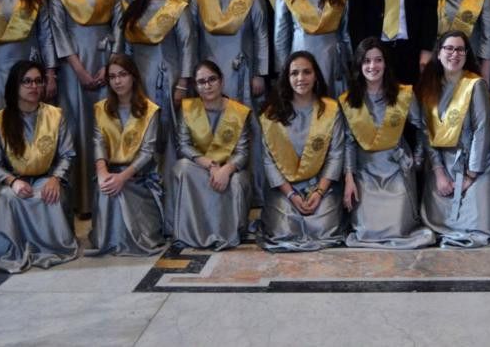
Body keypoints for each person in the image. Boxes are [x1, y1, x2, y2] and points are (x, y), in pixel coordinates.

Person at [48, 0, 122, 216]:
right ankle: (81, 199)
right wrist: (78, 68)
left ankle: (107, 194)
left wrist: (110, 63)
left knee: (105, 126)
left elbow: (118, 24)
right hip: (72, 64)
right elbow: (58, 29)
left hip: (105, 60)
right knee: (76, 126)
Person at [340, 38, 436, 249]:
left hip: (396, 167)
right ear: (359, 65)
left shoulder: (403, 94)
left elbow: (423, 128)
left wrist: (417, 161)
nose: (372, 66)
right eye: (367, 61)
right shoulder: (348, 101)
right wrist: (349, 178)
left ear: (386, 64)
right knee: (367, 231)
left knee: (398, 228)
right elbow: (348, 142)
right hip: (365, 171)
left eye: (378, 60)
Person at [0, 61, 80, 272]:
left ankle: (51, 247)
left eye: (38, 81)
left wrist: (56, 178)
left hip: (47, 175)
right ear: (15, 86)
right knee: (8, 197)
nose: (34, 86)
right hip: (13, 179)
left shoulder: (55, 115)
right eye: (26, 82)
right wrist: (13, 181)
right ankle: (14, 249)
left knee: (49, 193)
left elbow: (68, 154)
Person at [258, 51, 347, 251]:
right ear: (286, 78)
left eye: (306, 72)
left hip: (321, 185)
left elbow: (336, 155)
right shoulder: (271, 115)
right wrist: (292, 195)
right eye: (294, 73)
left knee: (324, 229)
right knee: (284, 231)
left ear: (315, 76)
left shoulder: (331, 110)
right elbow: (268, 161)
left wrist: (319, 191)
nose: (301, 78)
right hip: (285, 188)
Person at [417, 32, 490, 248]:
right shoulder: (428, 85)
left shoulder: (475, 84)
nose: (455, 54)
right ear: (439, 52)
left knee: (476, 224)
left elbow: (482, 129)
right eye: (449, 49)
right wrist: (439, 173)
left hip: (475, 163)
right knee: (437, 221)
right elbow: (426, 132)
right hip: (443, 163)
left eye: (460, 49)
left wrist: (471, 175)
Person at [120, 0, 195, 193]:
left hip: (168, 79)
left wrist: (183, 82)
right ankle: (143, 188)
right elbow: (126, 47)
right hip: (137, 79)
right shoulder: (134, 7)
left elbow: (187, 45)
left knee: (166, 131)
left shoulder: (177, 7)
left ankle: (170, 188)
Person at [89, 55, 167, 256]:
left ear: (133, 77)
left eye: (122, 75)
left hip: (140, 177)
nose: (117, 81)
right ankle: (109, 240)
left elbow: (148, 152)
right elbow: (98, 142)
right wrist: (102, 171)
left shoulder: (150, 110)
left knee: (119, 190)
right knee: (107, 187)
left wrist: (122, 178)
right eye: (113, 76)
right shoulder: (101, 109)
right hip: (111, 171)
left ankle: (132, 240)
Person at [172, 60, 253, 250]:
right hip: (200, 167)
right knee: (182, 167)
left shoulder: (238, 112)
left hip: (230, 171)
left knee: (237, 181)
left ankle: (226, 233)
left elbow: (243, 152)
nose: (207, 85)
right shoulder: (188, 109)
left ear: (222, 81)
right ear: (196, 86)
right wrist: (210, 165)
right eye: (201, 82)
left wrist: (226, 170)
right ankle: (191, 233)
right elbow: (182, 146)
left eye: (212, 79)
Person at [191, 0, 269, 105]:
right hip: (206, 72)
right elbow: (192, 36)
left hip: (241, 70)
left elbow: (261, 35)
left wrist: (260, 74)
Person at [275, 0, 351, 96]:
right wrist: (284, 69)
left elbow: (345, 31)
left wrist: (350, 61)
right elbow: (281, 37)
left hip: (332, 58)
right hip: (301, 55)